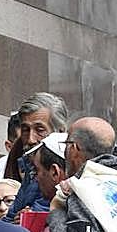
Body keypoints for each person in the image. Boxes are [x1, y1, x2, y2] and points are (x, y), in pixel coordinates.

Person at [8, 92, 70, 220]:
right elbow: (12, 215)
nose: (31, 139)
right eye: (25, 130)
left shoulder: (69, 169)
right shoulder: (28, 165)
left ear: (60, 131)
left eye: (40, 130)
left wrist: (28, 218)